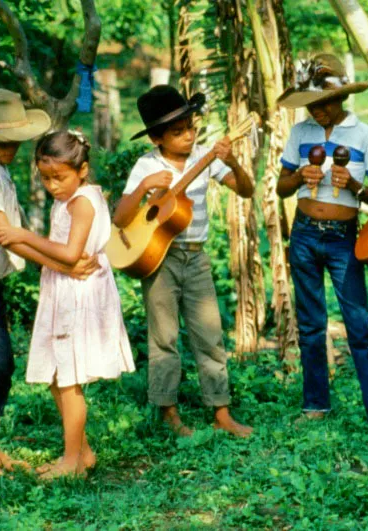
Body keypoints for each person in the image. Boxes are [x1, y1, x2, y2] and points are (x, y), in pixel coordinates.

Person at [0, 89, 98, 480]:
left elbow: (18, 235)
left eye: (15, 139)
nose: (10, 146)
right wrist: (64, 265)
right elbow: (7, 235)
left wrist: (63, 265)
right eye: (1, 139)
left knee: (1, 364)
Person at [113, 85, 254, 438]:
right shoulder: (147, 164)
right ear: (158, 138)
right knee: (164, 336)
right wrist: (145, 185)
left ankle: (221, 410)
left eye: (191, 127)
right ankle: (167, 412)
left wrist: (232, 159)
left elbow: (246, 189)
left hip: (196, 257)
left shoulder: (204, 157)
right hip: (159, 259)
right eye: (178, 132)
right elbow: (120, 217)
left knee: (210, 334)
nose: (189, 135)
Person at [0, 130, 135, 479]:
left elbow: (72, 254)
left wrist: (24, 234)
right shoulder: (67, 200)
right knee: (58, 376)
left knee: (69, 378)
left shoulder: (83, 201)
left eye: (60, 177)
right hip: (64, 287)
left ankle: (71, 461)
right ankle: (82, 453)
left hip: (80, 293)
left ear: (82, 170)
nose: (52, 186)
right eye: (45, 178)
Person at [276, 53, 368, 442]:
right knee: (311, 325)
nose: (318, 112)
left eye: (324, 104)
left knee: (359, 324)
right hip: (305, 233)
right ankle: (315, 407)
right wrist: (298, 177)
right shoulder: (300, 133)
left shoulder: (364, 136)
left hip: (344, 237)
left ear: (342, 98)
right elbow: (281, 187)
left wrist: (354, 187)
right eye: (312, 105)